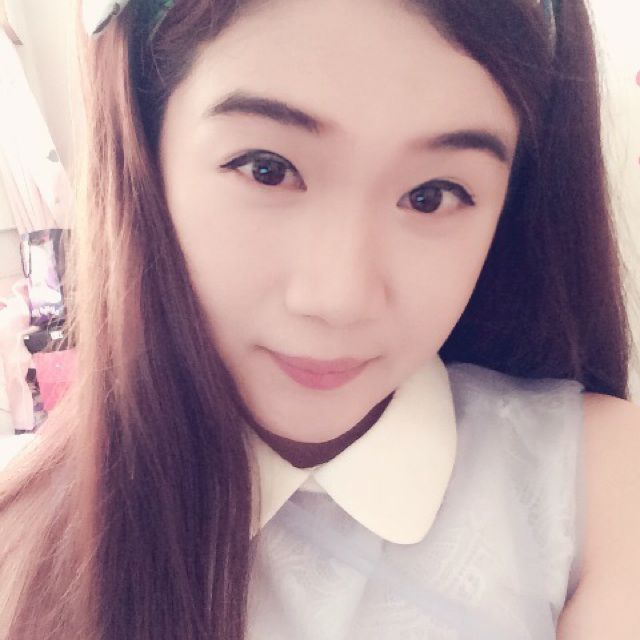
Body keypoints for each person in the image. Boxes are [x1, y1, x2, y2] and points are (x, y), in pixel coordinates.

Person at [0, 0, 639, 637]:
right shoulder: (22, 549)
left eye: (431, 196)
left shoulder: (591, 487)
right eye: (268, 169)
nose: (339, 299)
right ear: (145, 152)